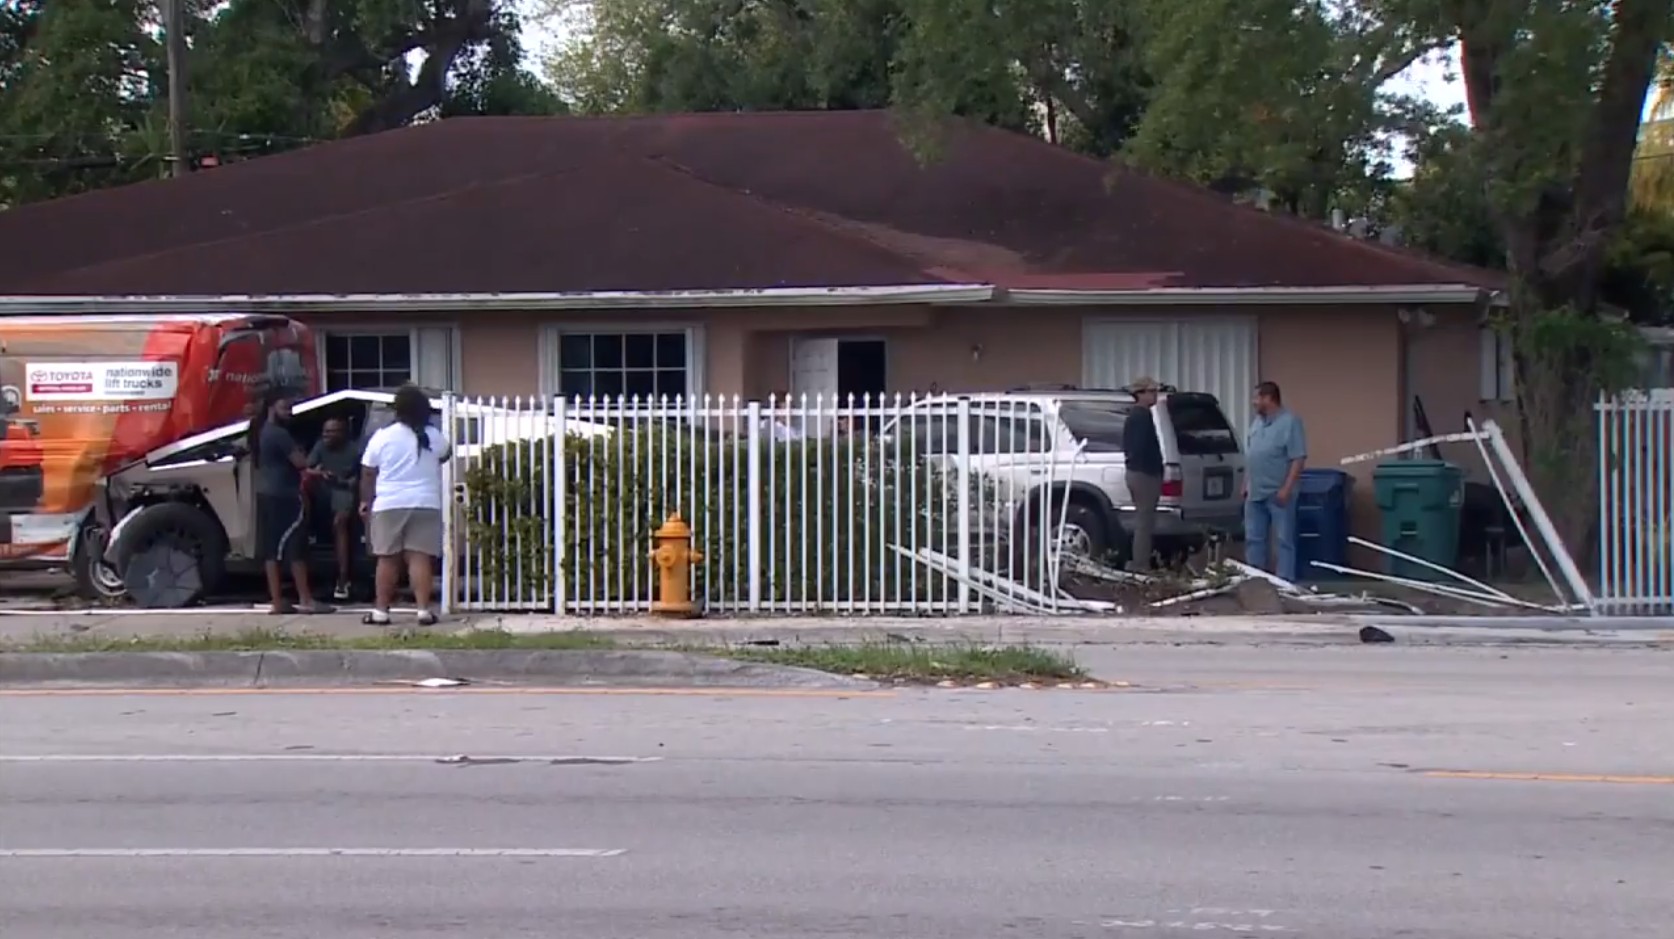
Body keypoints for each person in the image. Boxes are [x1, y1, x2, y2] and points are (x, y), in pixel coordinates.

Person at [359, 384, 451, 627]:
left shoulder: (383, 436)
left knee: (387, 559)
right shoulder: (433, 436)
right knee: (420, 558)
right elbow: (445, 455)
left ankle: (381, 612)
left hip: (389, 503)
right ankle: (423, 611)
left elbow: (368, 472)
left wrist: (365, 501)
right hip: (425, 503)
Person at [248, 389, 332, 614]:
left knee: (272, 550)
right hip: (286, 495)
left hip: (266, 494)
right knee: (296, 547)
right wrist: (318, 471)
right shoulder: (279, 434)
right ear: (271, 407)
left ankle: (277, 601)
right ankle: (306, 598)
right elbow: (300, 463)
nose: (290, 412)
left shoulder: (260, 432)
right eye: (285, 407)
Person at [1244, 380, 1307, 582]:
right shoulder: (1256, 423)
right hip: (1255, 491)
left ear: (1268, 398)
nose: (1253, 403)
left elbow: (1298, 457)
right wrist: (1245, 482)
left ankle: (1284, 581)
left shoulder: (1290, 422)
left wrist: (1287, 488)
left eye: (1257, 398)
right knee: (1254, 539)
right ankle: (1256, 580)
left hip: (1278, 492)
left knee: (1283, 540)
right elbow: (1251, 455)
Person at [308, 417, 362, 601]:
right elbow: (306, 468)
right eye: (325, 432)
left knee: (340, 522)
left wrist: (347, 481)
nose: (327, 435)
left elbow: (361, 477)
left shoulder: (354, 450)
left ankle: (343, 577)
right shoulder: (320, 447)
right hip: (321, 492)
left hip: (344, 491)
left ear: (343, 433)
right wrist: (320, 473)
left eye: (332, 432)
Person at [1121, 375, 1165, 572]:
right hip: (1143, 474)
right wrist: (1152, 470)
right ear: (1140, 394)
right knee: (1144, 521)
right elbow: (1139, 448)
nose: (1155, 395)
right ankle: (1140, 564)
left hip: (1140, 472)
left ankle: (1140, 561)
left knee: (1145, 519)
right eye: (1151, 391)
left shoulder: (1141, 415)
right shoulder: (1140, 416)